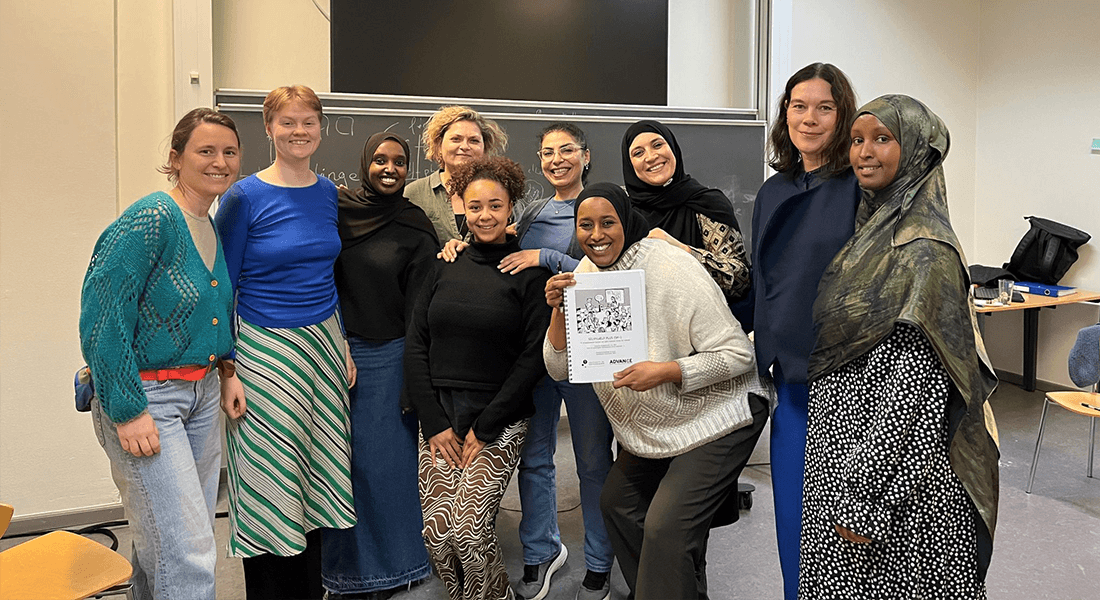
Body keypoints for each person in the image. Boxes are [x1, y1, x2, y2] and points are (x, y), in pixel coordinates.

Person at [800, 95, 1000, 598]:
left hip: (898, 485)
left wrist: (860, 502)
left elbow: (914, 396)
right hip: (845, 455)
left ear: (915, 151)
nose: (864, 152)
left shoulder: (924, 249)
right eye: (858, 139)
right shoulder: (872, 228)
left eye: (883, 139)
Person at [543, 183, 773, 600]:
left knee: (666, 527)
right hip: (654, 427)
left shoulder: (669, 267)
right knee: (617, 505)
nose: (596, 235)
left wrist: (668, 371)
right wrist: (559, 312)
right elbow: (560, 365)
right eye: (585, 225)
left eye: (607, 222)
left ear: (626, 221)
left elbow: (739, 354)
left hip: (718, 415)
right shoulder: (585, 275)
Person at [79, 107, 241, 600]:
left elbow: (211, 314)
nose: (219, 162)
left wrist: (227, 371)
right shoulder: (152, 219)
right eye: (205, 151)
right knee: (189, 551)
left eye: (229, 152)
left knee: (161, 546)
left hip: (201, 394)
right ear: (176, 158)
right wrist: (128, 411)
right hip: (149, 400)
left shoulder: (208, 224)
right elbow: (103, 318)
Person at [216, 85, 356, 600]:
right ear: (268, 128)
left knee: (314, 478)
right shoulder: (243, 196)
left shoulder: (326, 194)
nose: (299, 131)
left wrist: (341, 344)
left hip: (321, 345)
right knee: (269, 480)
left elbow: (327, 275)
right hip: (263, 349)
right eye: (287, 122)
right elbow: (222, 285)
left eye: (308, 121)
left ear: (320, 127)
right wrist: (227, 369)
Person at [406, 156, 552, 600]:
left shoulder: (529, 272)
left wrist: (486, 428)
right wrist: (433, 423)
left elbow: (533, 358)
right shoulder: (443, 263)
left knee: (468, 533)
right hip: (441, 416)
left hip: (498, 419)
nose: (485, 215)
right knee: (436, 535)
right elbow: (415, 344)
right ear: (461, 209)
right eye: (475, 206)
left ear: (511, 209)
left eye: (495, 205)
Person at [748, 62, 860, 600]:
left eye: (825, 107)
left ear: (843, 116)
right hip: (790, 383)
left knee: (847, 522)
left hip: (849, 383)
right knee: (793, 520)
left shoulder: (861, 189)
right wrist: (766, 353)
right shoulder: (773, 190)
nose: (809, 118)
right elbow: (765, 278)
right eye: (798, 106)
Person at [321, 133, 437, 598]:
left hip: (390, 357)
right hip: (333, 353)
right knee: (338, 467)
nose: (389, 168)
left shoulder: (415, 225)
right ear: (366, 162)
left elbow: (420, 309)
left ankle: (393, 570)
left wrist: (414, 374)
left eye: (400, 162)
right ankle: (344, 575)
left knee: (382, 470)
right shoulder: (337, 212)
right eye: (381, 160)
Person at [509, 123, 615, 600]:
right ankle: (540, 551)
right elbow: (506, 262)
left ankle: (598, 559)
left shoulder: (603, 207)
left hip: (589, 353)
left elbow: (610, 276)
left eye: (567, 150)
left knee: (593, 462)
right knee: (535, 458)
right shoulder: (529, 210)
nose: (557, 160)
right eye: (548, 152)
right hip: (536, 350)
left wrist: (548, 256)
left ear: (586, 156)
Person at [620, 120, 751, 313]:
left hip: (701, 328)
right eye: (638, 153)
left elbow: (738, 279)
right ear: (629, 163)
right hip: (640, 329)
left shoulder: (707, 203)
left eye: (658, 145)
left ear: (672, 147)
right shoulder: (621, 210)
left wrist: (682, 250)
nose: (651, 156)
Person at [405, 105, 508, 244]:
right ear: (439, 145)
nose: (465, 146)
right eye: (456, 139)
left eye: (474, 140)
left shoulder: (501, 191)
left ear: (485, 148)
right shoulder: (415, 194)